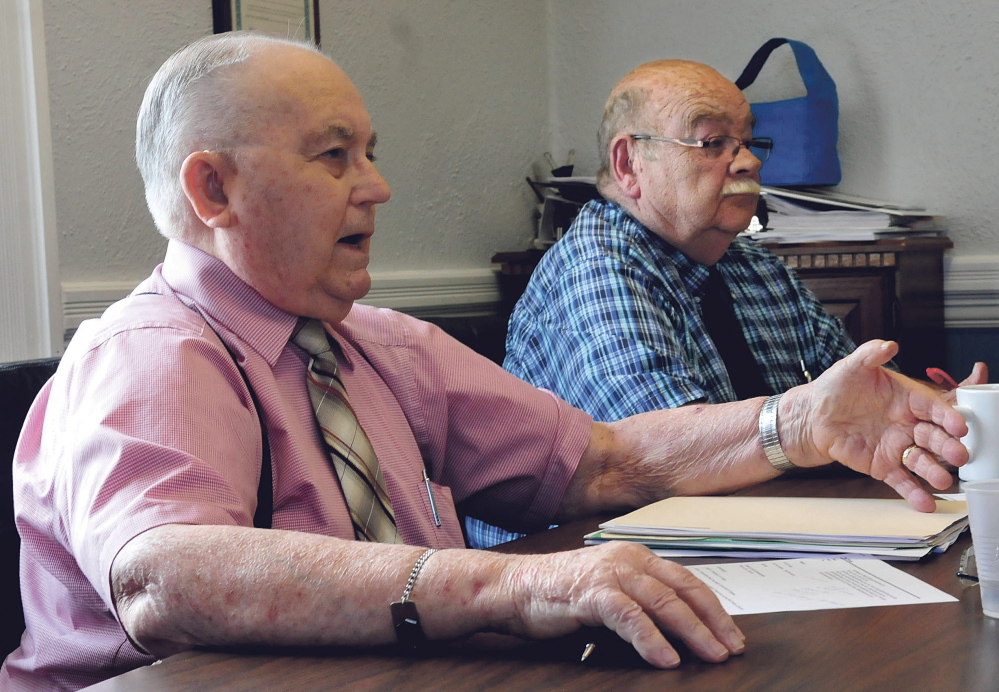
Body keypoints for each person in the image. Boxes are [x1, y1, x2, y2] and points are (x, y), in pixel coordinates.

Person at [0, 34, 971, 691]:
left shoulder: (374, 342)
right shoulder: (147, 351)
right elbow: (164, 578)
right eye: (336, 155)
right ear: (211, 187)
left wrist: (792, 422)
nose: (377, 186)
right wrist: (506, 586)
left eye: (369, 152)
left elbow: (603, 460)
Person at [471, 59, 985, 548]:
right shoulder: (595, 269)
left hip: (741, 539)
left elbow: (861, 396)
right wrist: (805, 423)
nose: (750, 160)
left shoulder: (754, 266)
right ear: (629, 164)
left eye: (748, 140)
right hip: (570, 572)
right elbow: (672, 466)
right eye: (713, 141)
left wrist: (945, 411)